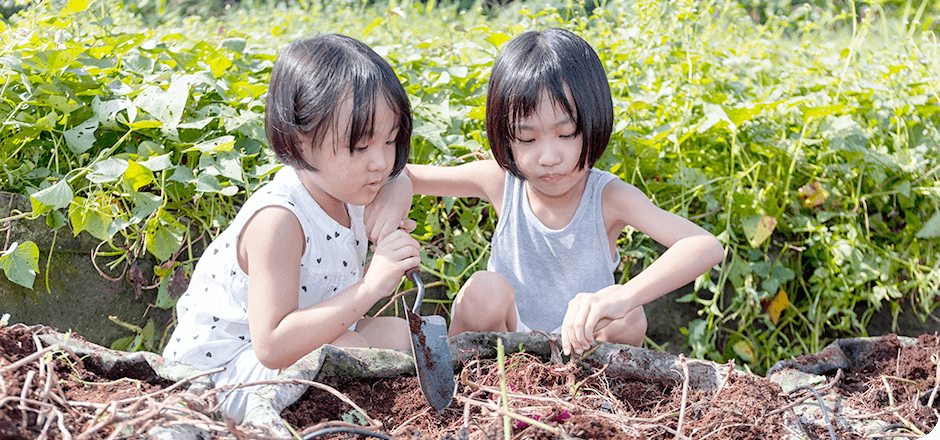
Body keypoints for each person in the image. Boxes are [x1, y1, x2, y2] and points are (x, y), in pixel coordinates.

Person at [374, 28, 725, 357]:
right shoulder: (502, 181)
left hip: (581, 350)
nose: (548, 158)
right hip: (504, 349)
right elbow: (399, 172)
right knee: (483, 290)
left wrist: (621, 296)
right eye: (527, 139)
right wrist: (398, 188)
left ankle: (609, 399)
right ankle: (460, 376)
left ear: (592, 123)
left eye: (566, 134)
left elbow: (704, 245)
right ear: (505, 137)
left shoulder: (607, 197)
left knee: (629, 317)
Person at [162, 34, 420, 423]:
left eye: (390, 140)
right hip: (218, 381)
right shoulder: (279, 221)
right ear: (301, 138)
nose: (381, 163)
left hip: (298, 352)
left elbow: (408, 177)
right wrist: (371, 286)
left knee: (399, 336)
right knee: (348, 349)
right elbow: (272, 345)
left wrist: (397, 193)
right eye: (361, 146)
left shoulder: (347, 181)